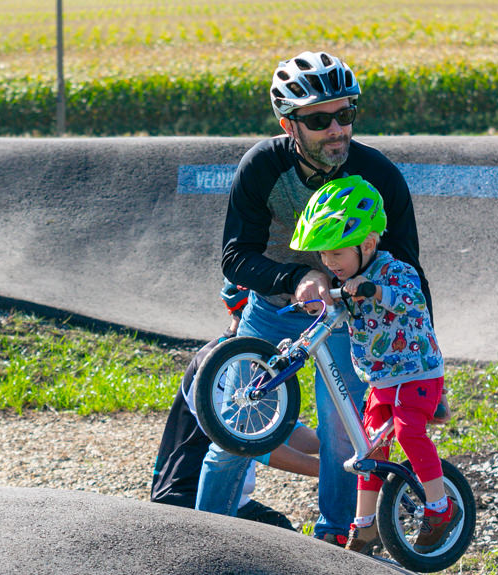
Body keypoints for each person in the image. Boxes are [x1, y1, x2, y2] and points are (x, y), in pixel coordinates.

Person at [201, 49, 433, 545]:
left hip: (351, 318)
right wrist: (294, 279)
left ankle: (332, 544)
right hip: (273, 309)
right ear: (290, 124)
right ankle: (205, 538)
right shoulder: (263, 166)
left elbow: (409, 274)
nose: (336, 129)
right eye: (320, 119)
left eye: (345, 114)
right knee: (234, 429)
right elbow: (234, 256)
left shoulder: (379, 175)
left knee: (342, 435)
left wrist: (427, 366)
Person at [289, 175, 458, 555]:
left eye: (337, 253)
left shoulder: (394, 271)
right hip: (381, 380)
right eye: (323, 255)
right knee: (368, 450)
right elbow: (341, 316)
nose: (329, 263)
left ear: (367, 243)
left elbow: (411, 302)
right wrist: (321, 305)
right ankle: (365, 525)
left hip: (417, 372)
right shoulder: (345, 281)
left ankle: (440, 506)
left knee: (409, 432)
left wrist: (375, 290)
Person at [151, 281, 320, 530]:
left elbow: (282, 428)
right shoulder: (217, 363)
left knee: (283, 531)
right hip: (186, 496)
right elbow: (250, 443)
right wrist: (329, 472)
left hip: (233, 500)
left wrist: (339, 447)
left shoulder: (257, 359)